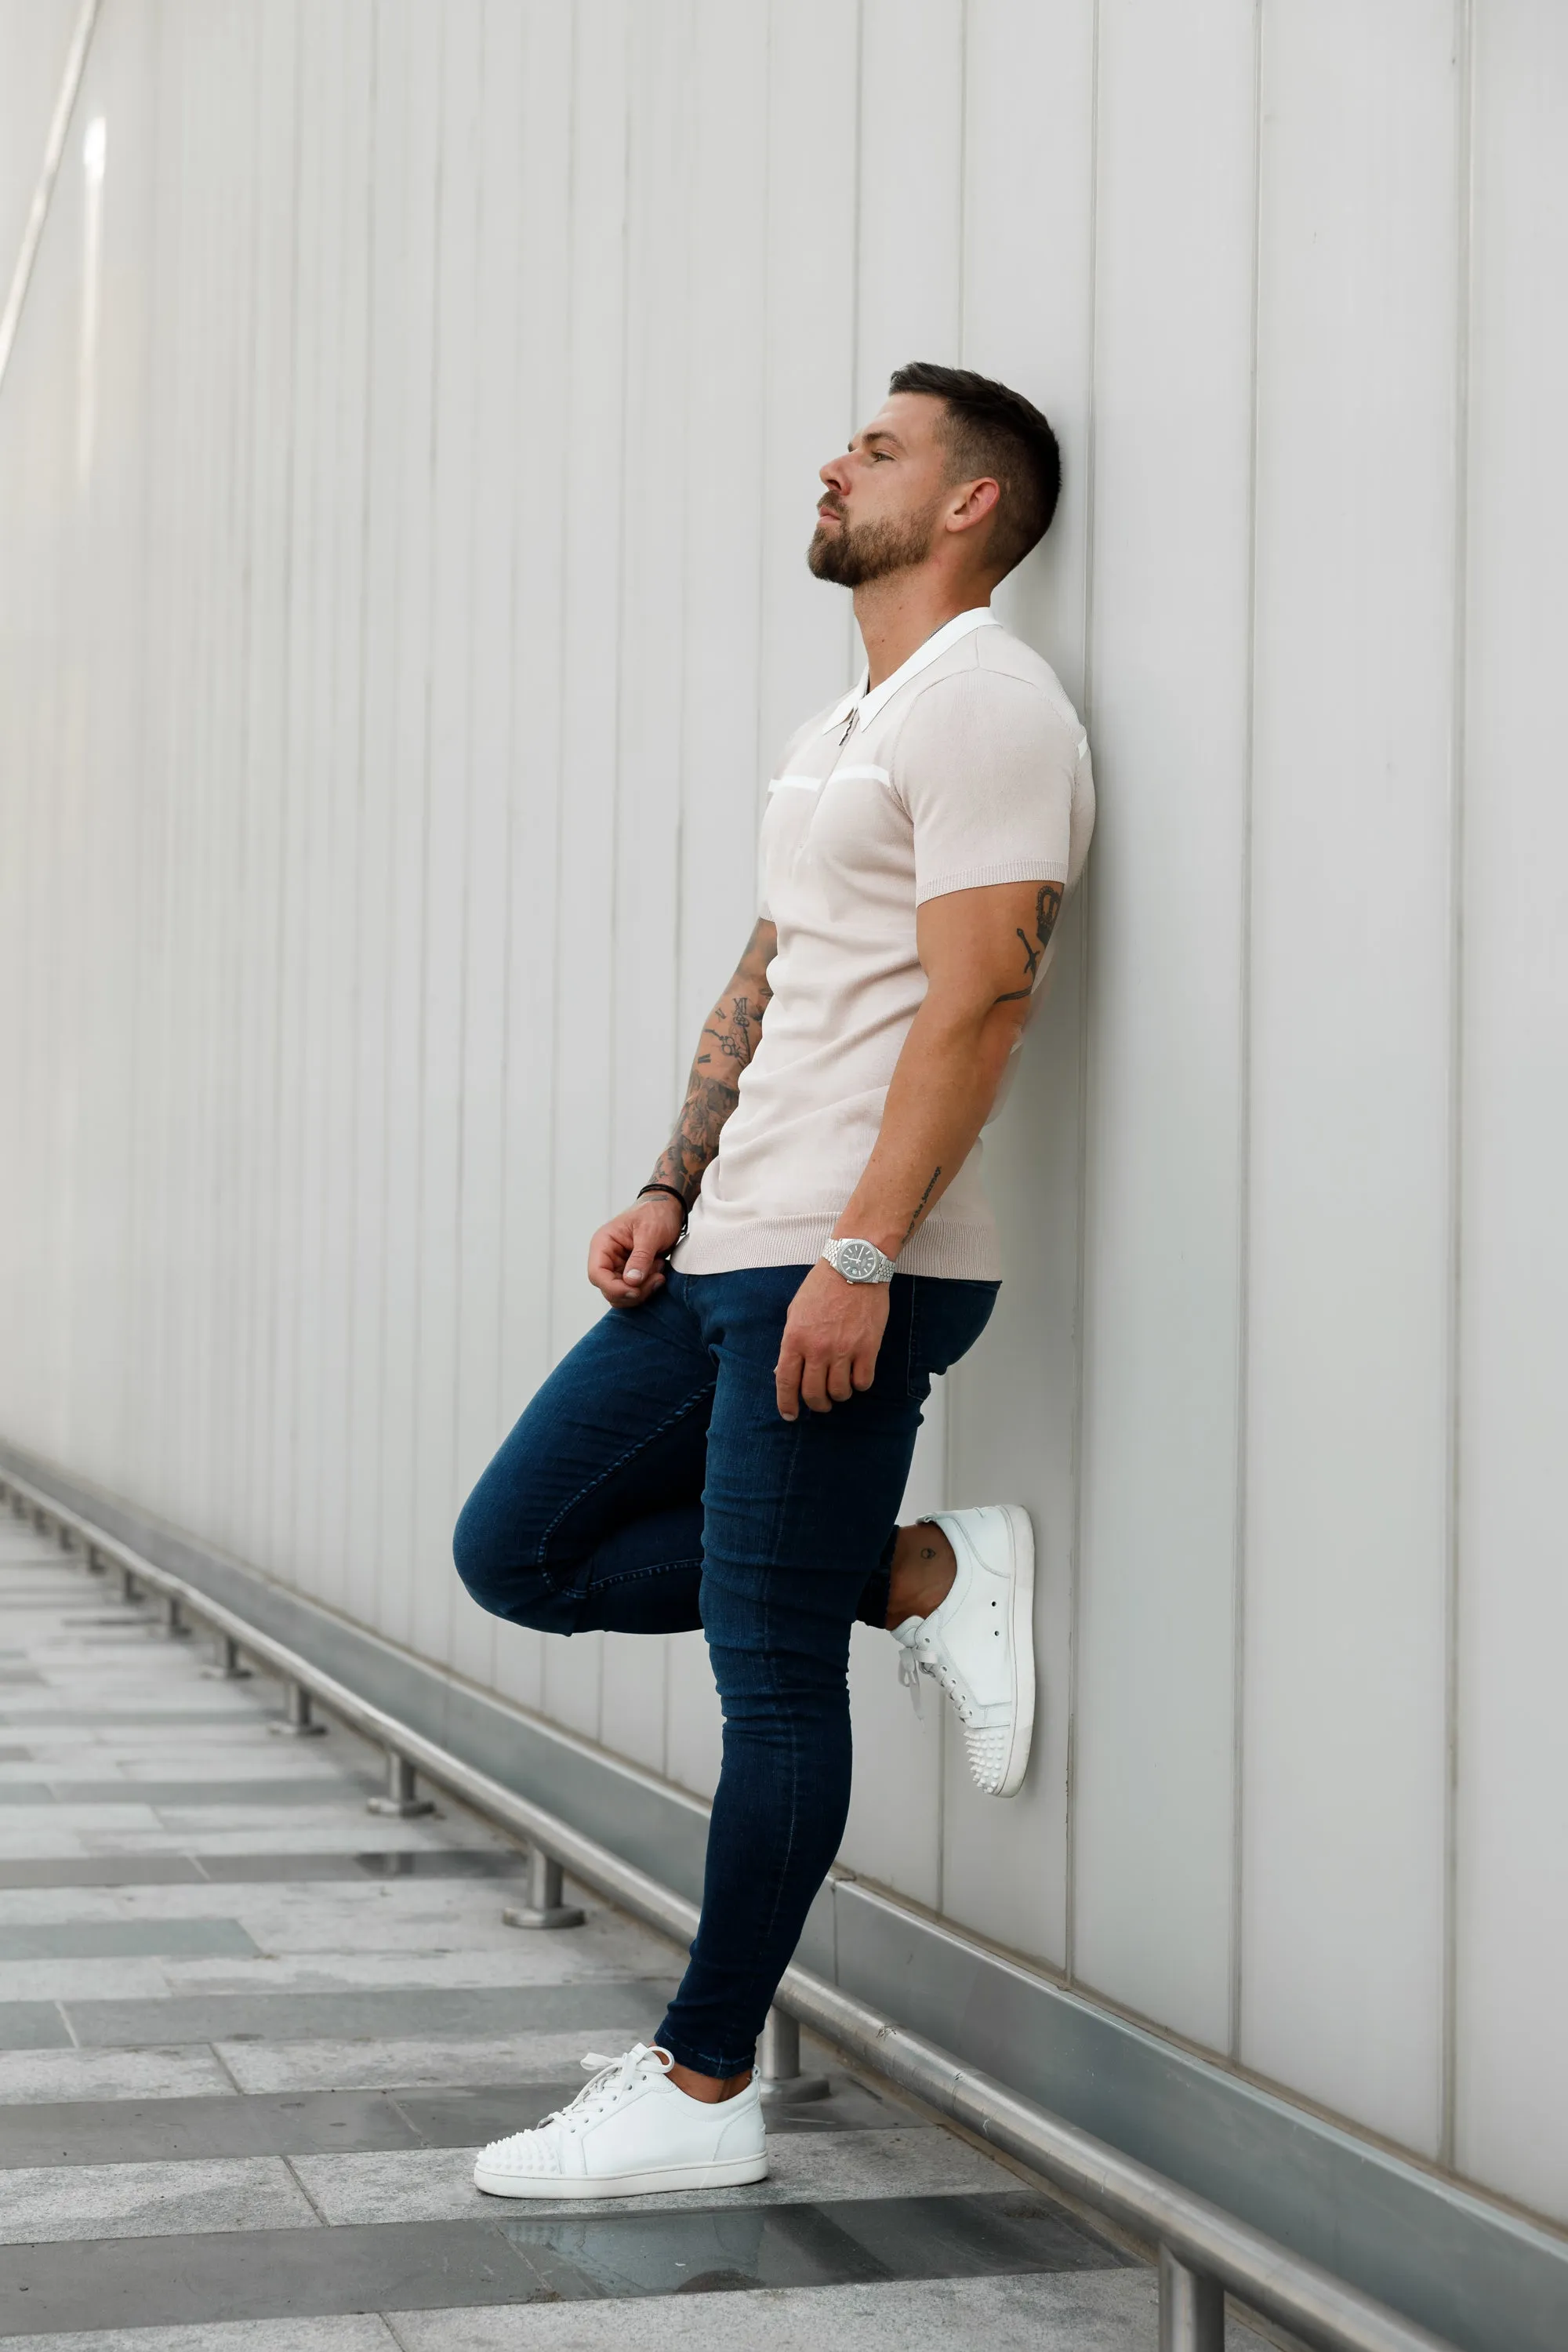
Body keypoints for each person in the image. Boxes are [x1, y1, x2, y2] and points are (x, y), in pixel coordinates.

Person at [454, 361, 1094, 2202]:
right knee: (519, 1552)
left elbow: (982, 1003)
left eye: (878, 449)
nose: (836, 462)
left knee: (770, 1682)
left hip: (847, 1262)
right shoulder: (848, 720)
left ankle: (704, 2083)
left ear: (970, 503)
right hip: (730, 1245)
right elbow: (775, 972)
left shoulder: (991, 706)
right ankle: (913, 1572)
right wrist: (673, 1178)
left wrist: (861, 1253)